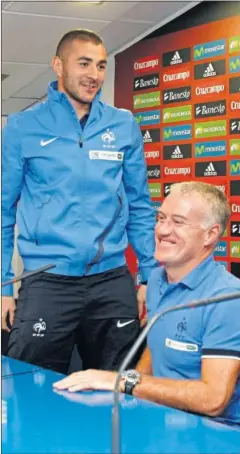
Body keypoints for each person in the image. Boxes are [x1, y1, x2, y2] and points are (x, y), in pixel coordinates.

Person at [2, 29, 157, 374]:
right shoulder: (23, 127)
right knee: (30, 386)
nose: (94, 75)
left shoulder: (123, 125)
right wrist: (3, 286)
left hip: (111, 279)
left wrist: (149, 274)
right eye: (84, 63)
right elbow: (2, 211)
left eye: (101, 65)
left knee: (121, 385)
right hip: (48, 280)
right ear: (58, 65)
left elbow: (141, 206)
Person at [53, 182, 240, 426]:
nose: (162, 230)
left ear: (210, 234)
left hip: (217, 436)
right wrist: (132, 392)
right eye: (161, 218)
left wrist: (123, 382)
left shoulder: (227, 298)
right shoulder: (156, 280)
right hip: (161, 422)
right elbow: (156, 348)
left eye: (178, 222)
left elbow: (213, 399)